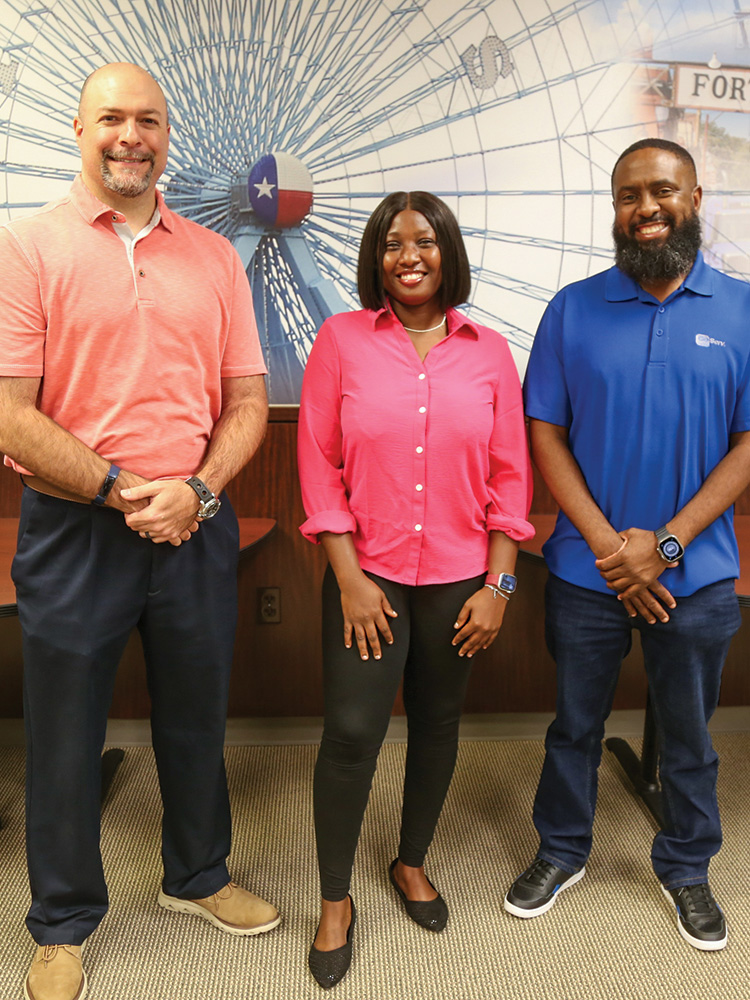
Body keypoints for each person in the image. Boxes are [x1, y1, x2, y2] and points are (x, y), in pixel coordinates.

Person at [0, 63, 278, 1000]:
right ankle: (64, 923)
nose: (131, 136)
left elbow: (245, 399)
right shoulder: (27, 249)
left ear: (168, 137)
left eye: (148, 121)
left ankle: (197, 877)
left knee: (196, 719)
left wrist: (196, 492)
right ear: (79, 132)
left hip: (194, 523)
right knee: (66, 732)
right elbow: (9, 413)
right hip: (77, 526)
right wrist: (123, 488)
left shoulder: (213, 258)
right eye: (112, 119)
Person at [507, 138, 750, 952]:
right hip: (585, 571)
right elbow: (544, 431)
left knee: (688, 733)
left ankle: (686, 866)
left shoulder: (743, 309)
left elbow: (749, 443)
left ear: (694, 197)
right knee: (573, 725)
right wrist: (615, 549)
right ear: (613, 209)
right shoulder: (572, 308)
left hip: (698, 575)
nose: (646, 209)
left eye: (662, 192)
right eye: (627, 196)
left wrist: (667, 548)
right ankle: (562, 850)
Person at [298, 191, 533, 988]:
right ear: (376, 255)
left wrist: (499, 584)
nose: (409, 255)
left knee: (437, 726)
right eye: (393, 242)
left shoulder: (490, 352)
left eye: (425, 241)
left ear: (447, 251)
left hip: (463, 580)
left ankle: (410, 861)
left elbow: (511, 480)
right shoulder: (340, 341)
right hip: (367, 580)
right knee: (352, 735)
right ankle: (335, 900)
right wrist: (350, 579)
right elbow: (317, 468)